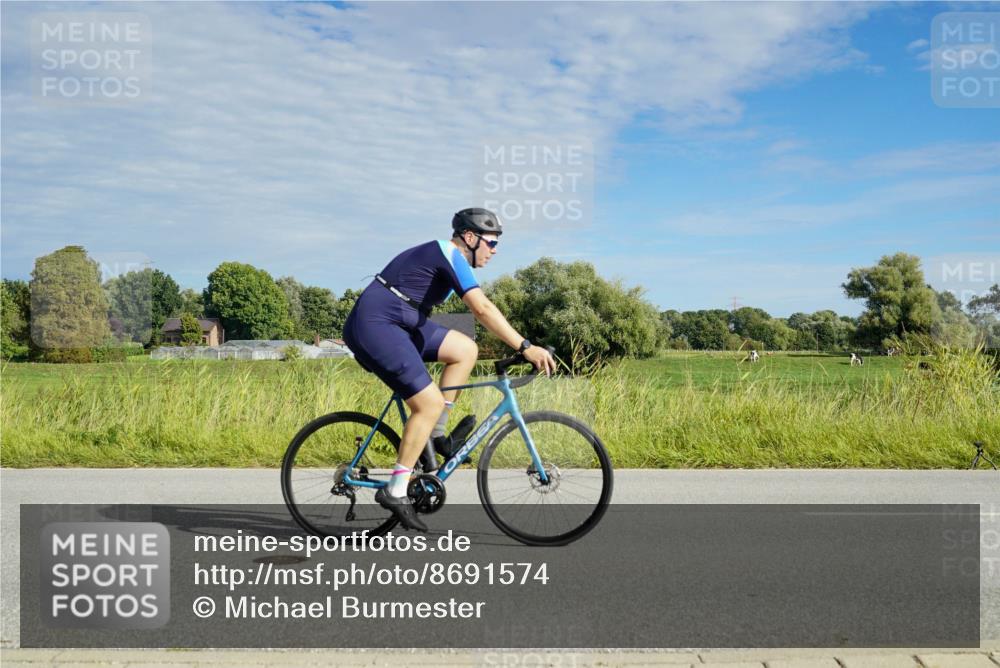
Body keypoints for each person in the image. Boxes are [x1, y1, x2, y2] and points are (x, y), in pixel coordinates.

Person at [342, 208, 557, 531]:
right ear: (470, 238)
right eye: (492, 243)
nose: (494, 251)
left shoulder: (451, 258)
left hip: (404, 321)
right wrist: (525, 346)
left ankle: (437, 434)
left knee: (465, 349)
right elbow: (482, 308)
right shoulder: (449, 253)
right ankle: (395, 490)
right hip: (376, 323)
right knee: (428, 403)